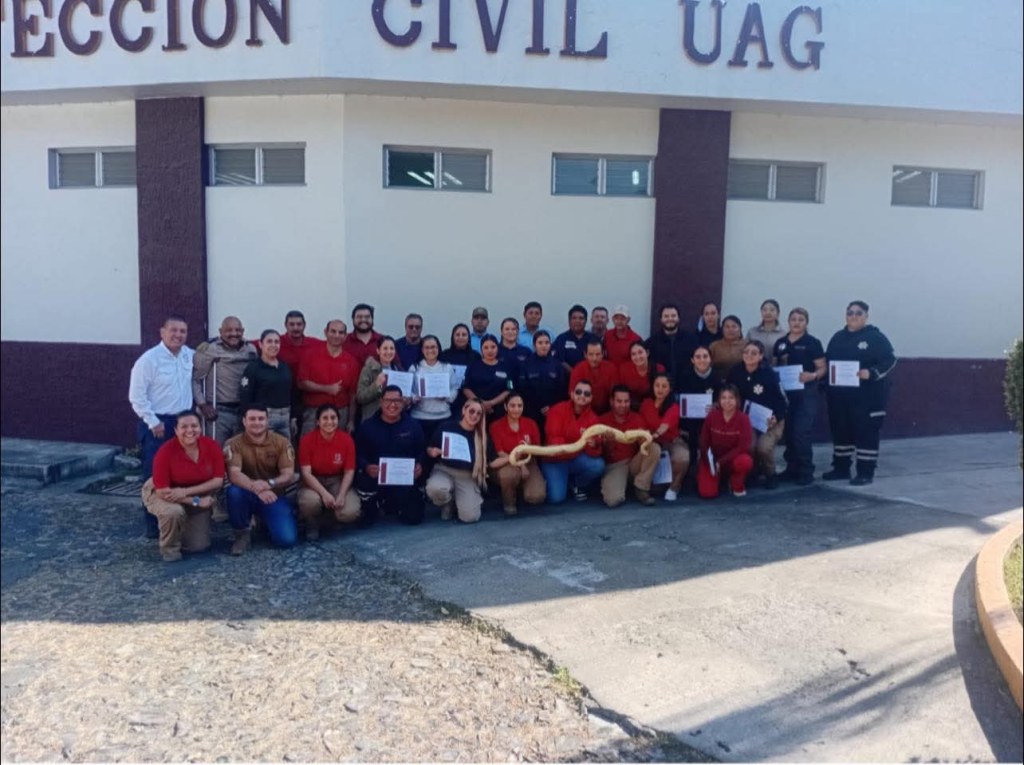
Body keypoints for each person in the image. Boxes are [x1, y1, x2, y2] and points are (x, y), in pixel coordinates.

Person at [128, 315, 194, 539]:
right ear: (162, 332)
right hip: (158, 423)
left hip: (183, 423)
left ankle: (178, 519)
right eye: (173, 330)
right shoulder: (149, 360)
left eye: (183, 331)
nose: (178, 335)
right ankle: (153, 525)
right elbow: (136, 396)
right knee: (155, 475)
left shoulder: (190, 355)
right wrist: (153, 421)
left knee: (180, 472)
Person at [824, 301, 897, 486]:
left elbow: (890, 360)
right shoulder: (837, 338)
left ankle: (865, 472)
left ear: (866, 316)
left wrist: (870, 373)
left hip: (868, 398)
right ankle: (841, 468)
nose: (853, 316)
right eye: (850, 313)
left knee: (866, 433)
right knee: (841, 432)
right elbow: (828, 363)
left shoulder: (875, 338)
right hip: (840, 397)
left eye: (858, 313)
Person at [141, 410, 224, 562]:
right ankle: (169, 549)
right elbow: (163, 492)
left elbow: (218, 480)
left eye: (194, 426)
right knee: (173, 512)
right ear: (176, 430)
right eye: (184, 427)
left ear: (200, 427)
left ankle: (179, 528)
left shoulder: (211, 446)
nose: (190, 431)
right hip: (163, 492)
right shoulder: (165, 451)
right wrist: (196, 501)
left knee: (199, 546)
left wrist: (186, 492)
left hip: (189, 491)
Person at [224, 405, 298, 555]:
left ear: (267, 421)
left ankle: (264, 522)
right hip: (246, 493)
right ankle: (242, 534)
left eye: (261, 419)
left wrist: (269, 484)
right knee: (233, 492)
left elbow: (288, 474)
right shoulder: (233, 443)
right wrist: (256, 488)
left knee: (286, 540)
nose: (257, 422)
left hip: (273, 495)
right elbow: (234, 474)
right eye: (252, 419)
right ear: (244, 421)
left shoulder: (282, 442)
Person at [355, 385, 427, 525]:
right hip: (376, 481)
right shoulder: (367, 426)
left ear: (403, 402)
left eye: (397, 401)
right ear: (381, 402)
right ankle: (375, 506)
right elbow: (358, 454)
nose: (393, 405)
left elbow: (422, 451)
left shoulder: (413, 426)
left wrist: (420, 465)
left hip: (404, 480)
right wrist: (366, 466)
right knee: (366, 519)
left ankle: (395, 506)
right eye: (388, 400)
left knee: (414, 518)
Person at [774, 308, 827, 485]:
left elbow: (822, 368)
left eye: (801, 320)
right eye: (793, 319)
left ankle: (806, 470)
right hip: (786, 394)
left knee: (801, 432)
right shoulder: (780, 343)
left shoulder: (812, 342)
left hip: (806, 393)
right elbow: (775, 365)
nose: (796, 323)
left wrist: (812, 376)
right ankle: (791, 468)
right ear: (788, 321)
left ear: (806, 323)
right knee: (789, 431)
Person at [727, 340, 788, 489]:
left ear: (761, 356)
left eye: (754, 353)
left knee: (763, 447)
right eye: (746, 352)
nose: (749, 355)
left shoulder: (770, 375)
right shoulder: (735, 372)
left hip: (770, 420)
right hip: (747, 421)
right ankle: (751, 473)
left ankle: (770, 474)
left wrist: (776, 417)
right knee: (748, 445)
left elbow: (782, 401)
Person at [297, 404, 362, 541]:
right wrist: (324, 494)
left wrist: (342, 494)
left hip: (337, 479)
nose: (329, 422)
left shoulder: (347, 440)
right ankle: (312, 523)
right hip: (313, 480)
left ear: (338, 420)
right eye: (324, 418)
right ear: (317, 422)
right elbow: (306, 473)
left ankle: (329, 519)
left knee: (350, 511)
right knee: (310, 502)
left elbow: (349, 471)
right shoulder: (307, 440)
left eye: (333, 418)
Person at [192, 315, 256, 445]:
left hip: (243, 411)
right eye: (229, 330)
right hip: (219, 412)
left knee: (238, 454)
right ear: (221, 332)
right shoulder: (210, 349)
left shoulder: (251, 350)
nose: (234, 334)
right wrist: (202, 405)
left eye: (238, 330)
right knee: (217, 452)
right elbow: (196, 380)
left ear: (243, 331)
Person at [425, 399, 490, 523]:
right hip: (444, 470)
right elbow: (429, 447)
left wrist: (511, 458)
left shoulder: (482, 436)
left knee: (470, 517)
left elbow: (491, 460)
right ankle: (448, 502)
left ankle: (458, 500)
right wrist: (432, 451)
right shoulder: (447, 427)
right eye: (471, 411)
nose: (474, 415)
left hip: (467, 475)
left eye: (478, 413)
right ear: (463, 411)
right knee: (435, 488)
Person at [541, 380, 605, 504]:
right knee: (556, 498)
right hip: (555, 460)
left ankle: (575, 483)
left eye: (586, 394)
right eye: (579, 392)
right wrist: (580, 441)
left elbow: (597, 449)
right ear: (572, 394)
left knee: (598, 465)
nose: (582, 396)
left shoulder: (593, 418)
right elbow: (553, 440)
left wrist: (594, 444)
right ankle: (549, 480)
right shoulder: (556, 410)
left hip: (575, 458)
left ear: (591, 398)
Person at [599, 386, 661, 507]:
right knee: (613, 500)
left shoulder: (637, 419)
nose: (623, 405)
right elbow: (594, 451)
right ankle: (623, 487)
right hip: (614, 466)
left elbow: (645, 445)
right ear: (611, 402)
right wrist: (604, 442)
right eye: (619, 401)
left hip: (633, 463)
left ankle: (641, 487)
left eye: (626, 401)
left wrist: (642, 439)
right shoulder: (602, 421)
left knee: (654, 447)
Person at [297, 319, 361, 435]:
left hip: (340, 412)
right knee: (308, 447)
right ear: (326, 332)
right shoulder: (310, 355)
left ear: (345, 336)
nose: (337, 335)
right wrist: (327, 388)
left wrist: (351, 420)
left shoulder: (352, 362)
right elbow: (302, 383)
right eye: (333, 331)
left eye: (341, 333)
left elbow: (353, 394)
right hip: (313, 412)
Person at [488, 392, 546, 515]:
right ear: (505, 407)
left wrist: (526, 463)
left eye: (520, 406)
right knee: (508, 475)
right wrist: (521, 465)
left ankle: (521, 490)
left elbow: (536, 448)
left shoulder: (531, 424)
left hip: (528, 461)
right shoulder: (496, 426)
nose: (516, 409)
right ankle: (509, 503)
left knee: (537, 496)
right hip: (506, 462)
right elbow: (500, 452)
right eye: (512, 405)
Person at [698, 385, 754, 498]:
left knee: (745, 461)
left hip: (732, 459)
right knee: (707, 493)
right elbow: (704, 441)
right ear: (719, 400)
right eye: (723, 398)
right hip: (713, 460)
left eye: (731, 398)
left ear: (737, 400)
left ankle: (735, 483)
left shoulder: (744, 419)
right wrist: (711, 462)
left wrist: (721, 462)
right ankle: (718, 480)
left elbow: (743, 447)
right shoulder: (712, 416)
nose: (727, 401)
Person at [676, 345, 722, 482]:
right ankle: (689, 473)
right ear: (692, 360)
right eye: (698, 357)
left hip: (710, 422)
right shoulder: (684, 377)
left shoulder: (717, 378)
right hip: (688, 423)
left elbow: (724, 401)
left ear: (710, 359)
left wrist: (717, 406)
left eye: (705, 356)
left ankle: (709, 471)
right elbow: (678, 401)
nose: (702, 360)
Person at [640, 373, 688, 501]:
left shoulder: (674, 406)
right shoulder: (646, 404)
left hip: (671, 441)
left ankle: (674, 486)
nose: (660, 389)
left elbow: (664, 426)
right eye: (657, 385)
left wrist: (653, 436)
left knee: (682, 458)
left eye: (664, 386)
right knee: (655, 488)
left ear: (670, 389)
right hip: (653, 443)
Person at [239, 329, 293, 439]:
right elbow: (245, 396)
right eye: (269, 341)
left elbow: (291, 392)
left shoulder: (284, 367)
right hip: (264, 417)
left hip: (285, 416)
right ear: (260, 344)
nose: (273, 345)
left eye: (276, 342)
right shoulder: (253, 368)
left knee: (285, 451)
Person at [409, 334, 459, 445]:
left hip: (443, 416)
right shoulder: (415, 368)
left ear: (438, 348)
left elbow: (454, 388)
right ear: (422, 349)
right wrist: (414, 398)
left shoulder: (447, 367)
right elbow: (408, 391)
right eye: (427, 347)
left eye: (433, 347)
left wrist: (446, 397)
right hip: (419, 417)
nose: (430, 350)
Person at [518, 330, 568, 429]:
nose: (543, 346)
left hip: (553, 411)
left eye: (546, 342)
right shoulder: (526, 364)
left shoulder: (557, 365)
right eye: (540, 343)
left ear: (550, 344)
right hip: (531, 412)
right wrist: (536, 408)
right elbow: (522, 390)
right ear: (534, 345)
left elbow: (562, 390)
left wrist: (551, 407)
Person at [646, 303, 698, 389]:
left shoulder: (691, 340)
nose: (670, 319)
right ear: (661, 319)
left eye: (673, 316)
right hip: (661, 390)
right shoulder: (651, 343)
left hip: (687, 387)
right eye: (666, 316)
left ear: (678, 318)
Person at [463, 334, 514, 419]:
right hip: (476, 412)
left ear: (497, 348)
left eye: (493, 347)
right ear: (481, 349)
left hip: (499, 411)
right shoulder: (473, 366)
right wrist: (480, 403)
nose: (490, 350)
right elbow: (465, 388)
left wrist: (492, 403)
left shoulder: (506, 367)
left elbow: (510, 388)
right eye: (486, 348)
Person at [356, 335, 404, 423]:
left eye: (391, 348)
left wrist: (407, 400)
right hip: (373, 418)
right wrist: (377, 385)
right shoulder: (369, 369)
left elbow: (402, 398)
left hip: (394, 419)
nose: (389, 352)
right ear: (378, 351)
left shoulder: (398, 369)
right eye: (385, 348)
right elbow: (360, 397)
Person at [568, 340, 619, 415]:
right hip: (583, 412)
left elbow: (615, 396)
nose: (594, 358)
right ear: (585, 355)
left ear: (603, 354)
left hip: (607, 412)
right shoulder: (578, 369)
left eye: (598, 354)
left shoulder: (611, 368)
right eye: (591, 354)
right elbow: (573, 395)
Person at [551, 304, 597, 374]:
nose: (577, 321)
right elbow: (559, 361)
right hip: (566, 381)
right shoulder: (561, 339)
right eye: (574, 318)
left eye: (581, 318)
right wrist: (575, 374)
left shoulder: (593, 338)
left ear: (586, 321)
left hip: (590, 378)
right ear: (569, 320)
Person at [618, 341, 663, 409]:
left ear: (647, 353)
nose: (637, 357)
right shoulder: (624, 369)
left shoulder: (659, 369)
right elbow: (621, 393)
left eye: (640, 352)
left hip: (654, 407)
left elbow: (662, 395)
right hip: (631, 408)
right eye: (633, 354)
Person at [344, 303, 384, 369]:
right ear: (353, 319)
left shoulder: (383, 340)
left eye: (367, 317)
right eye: (359, 317)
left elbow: (396, 368)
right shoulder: (344, 341)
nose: (363, 320)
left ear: (372, 319)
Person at [709, 315, 746, 381]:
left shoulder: (747, 346)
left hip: (742, 381)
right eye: (727, 327)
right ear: (722, 330)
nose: (730, 330)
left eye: (734, 326)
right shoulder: (714, 346)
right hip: (718, 381)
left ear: (740, 329)